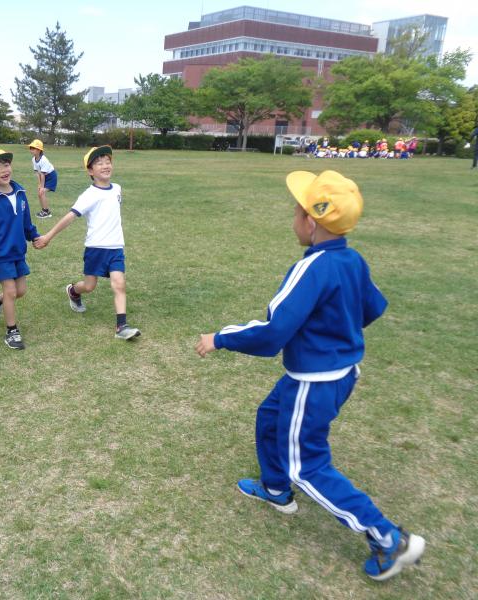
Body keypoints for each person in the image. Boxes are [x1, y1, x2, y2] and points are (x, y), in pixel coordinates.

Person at [194, 170, 425, 581]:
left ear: (311, 222)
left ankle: (388, 538)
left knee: (308, 465)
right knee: (270, 416)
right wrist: (334, 332)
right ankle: (275, 489)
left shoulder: (312, 268)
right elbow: (373, 307)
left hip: (314, 381)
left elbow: (273, 334)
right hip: (338, 373)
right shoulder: (352, 260)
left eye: (296, 212)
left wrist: (221, 338)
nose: (293, 220)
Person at [34, 145, 141, 341]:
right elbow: (70, 217)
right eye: (99, 163)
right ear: (90, 171)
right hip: (95, 248)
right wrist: (48, 236)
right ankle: (73, 291)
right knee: (90, 286)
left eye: (108, 162)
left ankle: (121, 326)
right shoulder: (89, 195)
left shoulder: (117, 188)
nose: (105, 165)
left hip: (116, 247)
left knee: (119, 284)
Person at [0, 148, 42, 350]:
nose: (3, 170)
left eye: (6, 165)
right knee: (10, 292)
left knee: (20, 291)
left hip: (18, 252)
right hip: (0, 255)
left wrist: (34, 236)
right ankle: (12, 331)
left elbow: (26, 221)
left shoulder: (20, 193)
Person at [28, 139, 58, 218]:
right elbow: (37, 173)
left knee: (42, 192)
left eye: (33, 148)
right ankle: (44, 210)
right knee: (40, 193)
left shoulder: (44, 160)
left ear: (39, 150)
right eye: (30, 148)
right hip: (43, 176)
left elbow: (43, 174)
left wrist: (42, 186)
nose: (31, 150)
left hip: (51, 177)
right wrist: (39, 184)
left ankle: (46, 212)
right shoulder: (33, 159)